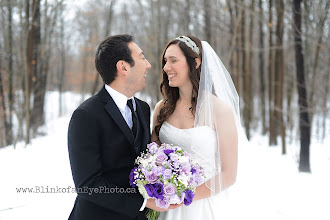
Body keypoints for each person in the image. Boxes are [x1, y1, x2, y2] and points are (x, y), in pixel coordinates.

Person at [68, 34, 180, 220]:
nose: (149, 65)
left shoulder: (143, 108)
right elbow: (88, 184)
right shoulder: (86, 115)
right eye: (142, 57)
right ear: (123, 67)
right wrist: (143, 203)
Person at [151, 35, 242, 219]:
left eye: (173, 60)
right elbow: (153, 156)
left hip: (204, 207)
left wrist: (183, 197)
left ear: (196, 62)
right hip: (165, 207)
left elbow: (229, 174)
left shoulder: (220, 110)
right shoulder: (162, 108)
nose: (166, 67)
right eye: (165, 61)